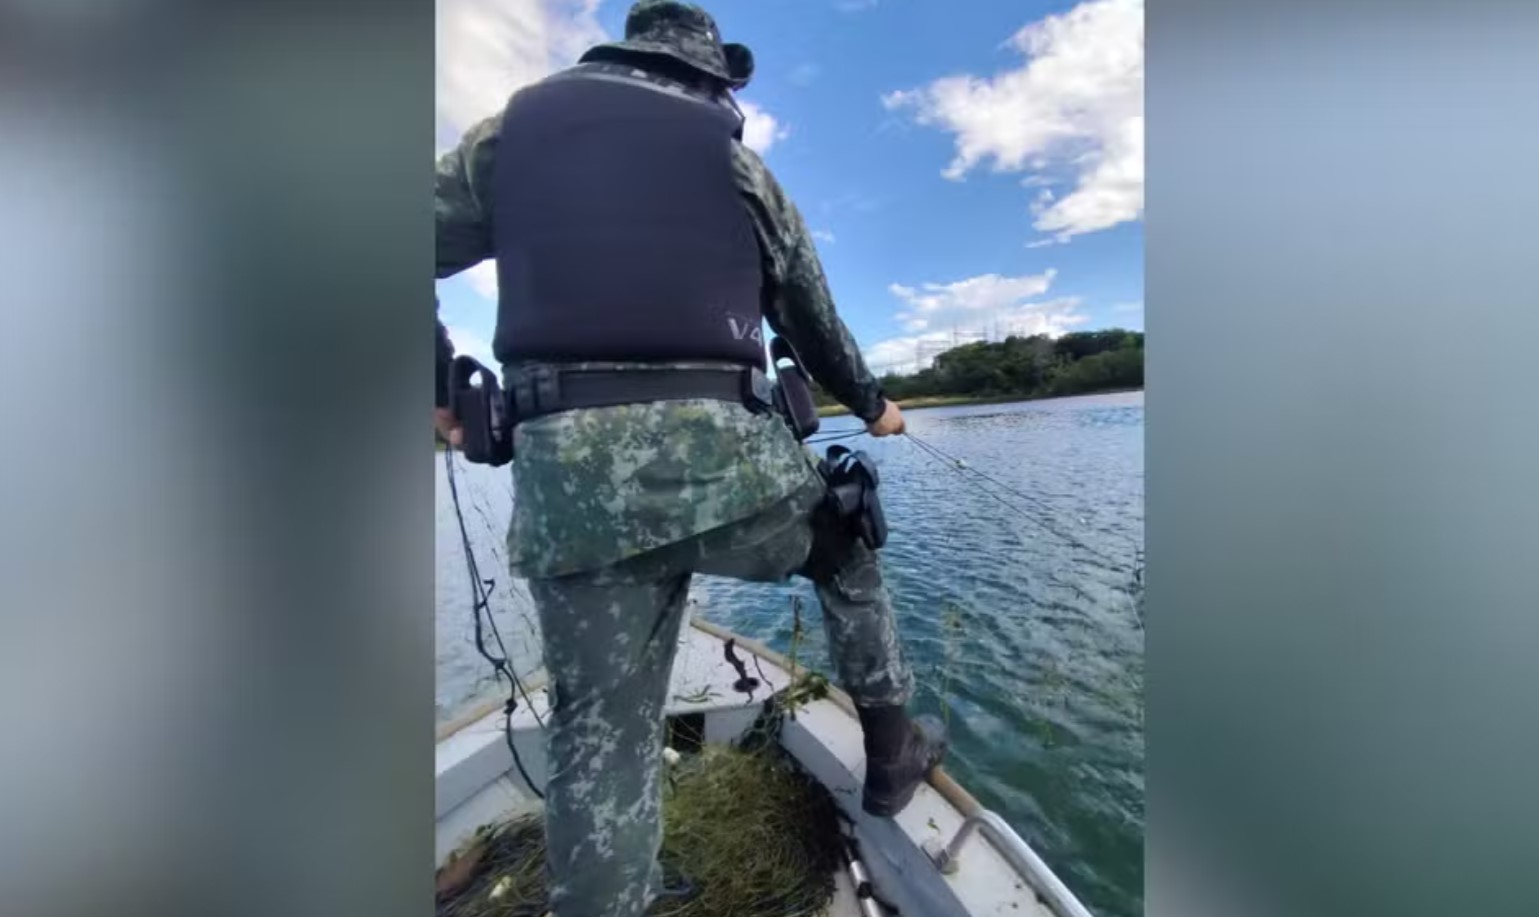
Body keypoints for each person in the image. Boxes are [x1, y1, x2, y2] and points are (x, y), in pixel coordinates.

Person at [433, 2, 947, 914]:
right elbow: (814, 319)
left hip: (570, 499)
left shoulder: (507, 136)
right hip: (730, 479)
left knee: (599, 732)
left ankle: (612, 892)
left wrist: (437, 384)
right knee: (846, 541)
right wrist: (873, 407)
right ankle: (890, 752)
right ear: (712, 79)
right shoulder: (736, 163)